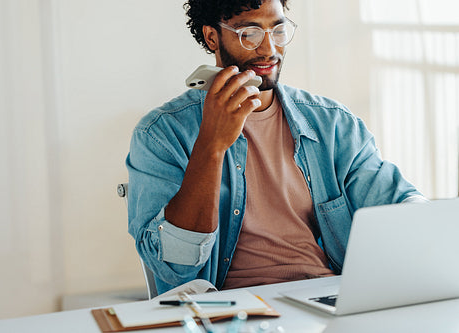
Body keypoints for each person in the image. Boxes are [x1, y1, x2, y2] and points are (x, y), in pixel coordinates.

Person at [126, 0, 426, 295]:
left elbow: (397, 203)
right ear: (212, 36)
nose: (269, 49)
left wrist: (428, 220)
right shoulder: (161, 134)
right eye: (250, 33)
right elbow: (172, 267)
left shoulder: (334, 124)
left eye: (278, 30)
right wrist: (211, 146)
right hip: (230, 310)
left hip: (325, 298)